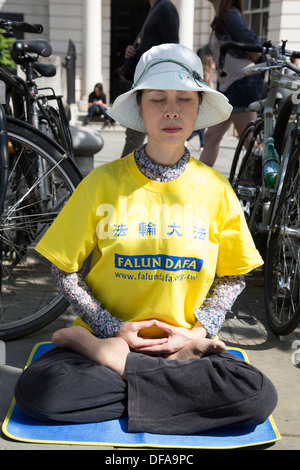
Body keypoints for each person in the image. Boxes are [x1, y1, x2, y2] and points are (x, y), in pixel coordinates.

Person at [14, 43, 277, 434]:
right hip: (107, 336)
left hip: (185, 348)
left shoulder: (216, 188)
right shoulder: (102, 183)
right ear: (139, 107)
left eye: (183, 99)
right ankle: (137, 374)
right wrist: (107, 329)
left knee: (256, 394)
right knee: (40, 392)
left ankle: (119, 367)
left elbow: (234, 275)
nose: (171, 110)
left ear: (198, 108)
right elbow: (62, 268)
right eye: (158, 99)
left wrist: (198, 332)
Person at [200, 0, 264, 167]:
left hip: (242, 83)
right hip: (229, 86)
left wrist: (255, 66)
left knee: (250, 141)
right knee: (211, 136)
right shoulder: (221, 17)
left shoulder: (229, 14)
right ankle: (198, 185)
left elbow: (253, 44)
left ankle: (266, 181)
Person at [120, 0, 179, 158]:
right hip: (148, 83)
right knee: (136, 136)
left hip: (155, 85)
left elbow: (173, 48)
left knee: (135, 136)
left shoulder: (165, 7)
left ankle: (123, 180)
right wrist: (133, 51)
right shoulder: (157, 8)